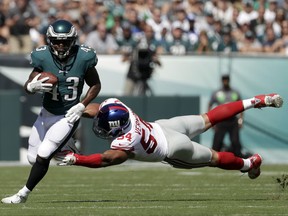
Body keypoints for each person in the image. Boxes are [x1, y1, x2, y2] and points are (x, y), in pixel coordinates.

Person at [59, 94, 283, 182]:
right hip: (167, 127)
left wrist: (77, 159)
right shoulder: (118, 106)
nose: (100, 127)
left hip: (173, 148)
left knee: (214, 158)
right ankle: (254, 101)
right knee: (209, 117)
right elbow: (99, 109)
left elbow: (106, 159)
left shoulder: (124, 142)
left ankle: (248, 163)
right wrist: (81, 110)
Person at [1, 19, 101, 204]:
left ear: (73, 40)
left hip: (68, 114)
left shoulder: (84, 57)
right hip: (46, 113)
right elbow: (28, 83)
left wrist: (82, 104)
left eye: (64, 41)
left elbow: (95, 84)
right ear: (49, 40)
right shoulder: (42, 56)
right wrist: (30, 87)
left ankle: (22, 194)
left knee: (44, 153)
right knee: (33, 158)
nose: (60, 45)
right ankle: (66, 145)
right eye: (56, 41)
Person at [208, 75, 244, 157]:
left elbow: (241, 106)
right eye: (224, 80)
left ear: (229, 81)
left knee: (235, 142)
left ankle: (239, 160)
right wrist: (211, 120)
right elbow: (210, 105)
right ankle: (213, 159)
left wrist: (241, 120)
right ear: (221, 81)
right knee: (217, 143)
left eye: (227, 80)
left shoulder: (234, 92)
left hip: (233, 121)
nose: (225, 82)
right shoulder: (217, 93)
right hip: (221, 121)